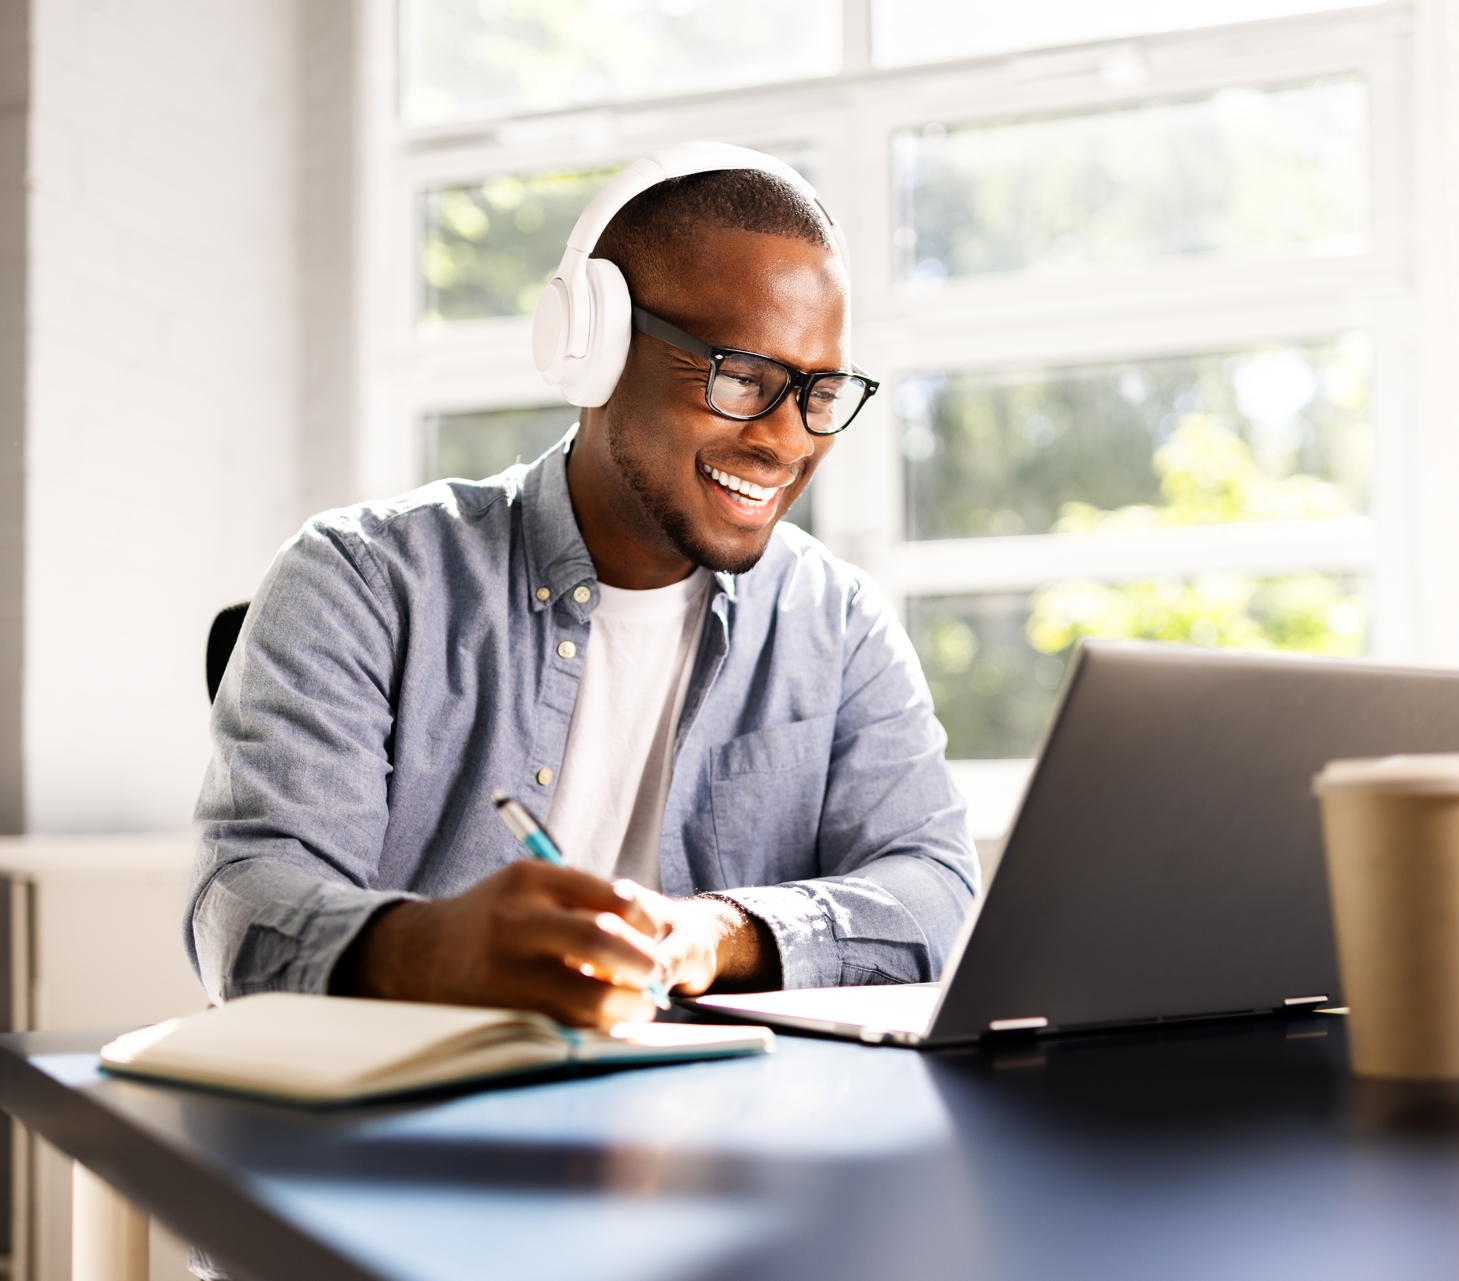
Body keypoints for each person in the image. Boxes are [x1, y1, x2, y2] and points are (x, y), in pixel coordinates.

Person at [186, 153, 979, 1031]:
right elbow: (244, 902)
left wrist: (716, 932)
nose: (787, 441)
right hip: (426, 1126)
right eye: (745, 377)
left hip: (726, 1127)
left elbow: (933, 886)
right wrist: (434, 949)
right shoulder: (360, 579)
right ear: (593, 347)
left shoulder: (836, 622)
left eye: (818, 390)